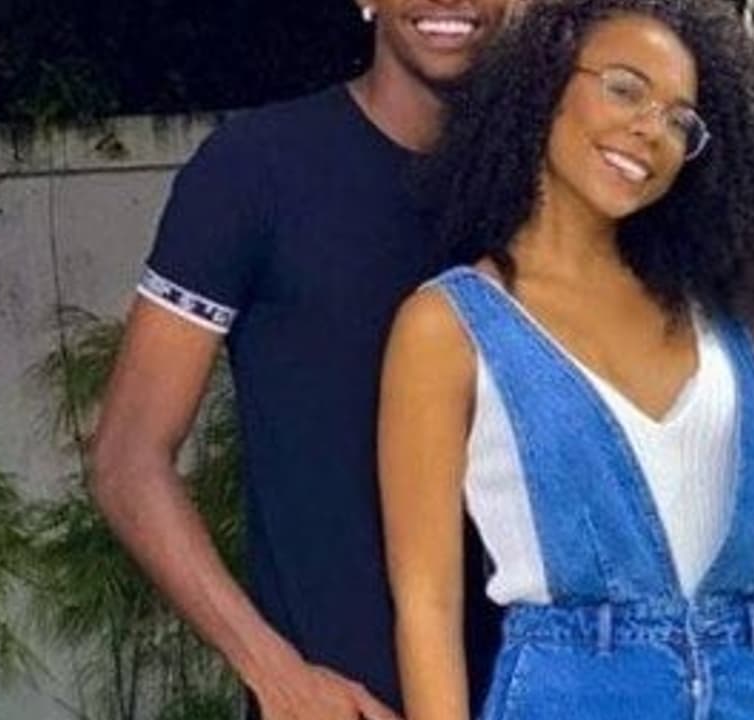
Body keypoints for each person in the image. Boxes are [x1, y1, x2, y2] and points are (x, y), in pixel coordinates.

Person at [378, 0, 754, 718]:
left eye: (680, 120)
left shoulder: (728, 320)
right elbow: (426, 605)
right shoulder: (449, 327)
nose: (651, 129)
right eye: (625, 88)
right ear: (545, 85)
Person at [89, 1, 517, 718]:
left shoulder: (545, 190)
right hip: (343, 700)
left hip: (530, 691)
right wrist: (275, 670)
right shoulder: (256, 170)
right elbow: (126, 459)